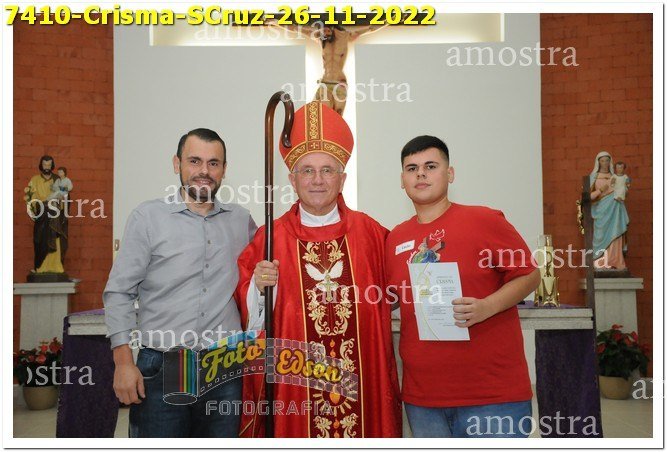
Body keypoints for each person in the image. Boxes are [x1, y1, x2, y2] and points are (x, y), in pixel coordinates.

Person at [235, 101, 401, 438]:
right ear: (292, 179)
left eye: (327, 170)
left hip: (362, 384)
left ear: (342, 179)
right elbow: (250, 317)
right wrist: (258, 288)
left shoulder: (371, 233)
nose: (317, 180)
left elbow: (399, 292)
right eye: (307, 171)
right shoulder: (271, 237)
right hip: (295, 387)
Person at [103, 128, 257, 437]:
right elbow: (119, 291)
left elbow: (261, 279)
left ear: (224, 169)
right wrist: (123, 363)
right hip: (164, 365)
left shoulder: (241, 221)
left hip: (223, 366)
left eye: (214, 163)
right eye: (194, 161)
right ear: (177, 164)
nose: (204, 171)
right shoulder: (148, 218)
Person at [385, 135, 541, 438]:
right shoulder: (395, 239)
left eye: (431, 166)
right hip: (423, 398)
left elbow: (530, 275)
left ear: (450, 173)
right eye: (412, 168)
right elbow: (389, 298)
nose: (421, 174)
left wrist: (487, 307)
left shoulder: (484, 219)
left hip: (491, 395)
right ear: (402, 180)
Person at [25, 155, 68, 278]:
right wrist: (36, 208)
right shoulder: (34, 180)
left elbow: (65, 195)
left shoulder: (57, 179)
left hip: (54, 216)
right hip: (42, 215)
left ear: (52, 166)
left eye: (49, 165)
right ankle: (40, 267)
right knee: (40, 240)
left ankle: (56, 267)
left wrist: (61, 199)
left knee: (55, 239)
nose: (47, 167)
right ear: (41, 165)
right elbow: (30, 198)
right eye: (45, 165)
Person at [589, 151, 630, 270]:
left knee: (616, 233)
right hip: (601, 211)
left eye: (607, 160)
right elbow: (588, 197)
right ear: (598, 162)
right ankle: (601, 262)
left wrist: (625, 189)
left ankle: (616, 261)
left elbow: (623, 191)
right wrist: (601, 190)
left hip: (616, 208)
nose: (605, 163)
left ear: (610, 162)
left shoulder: (616, 176)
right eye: (602, 161)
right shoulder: (593, 177)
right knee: (601, 234)